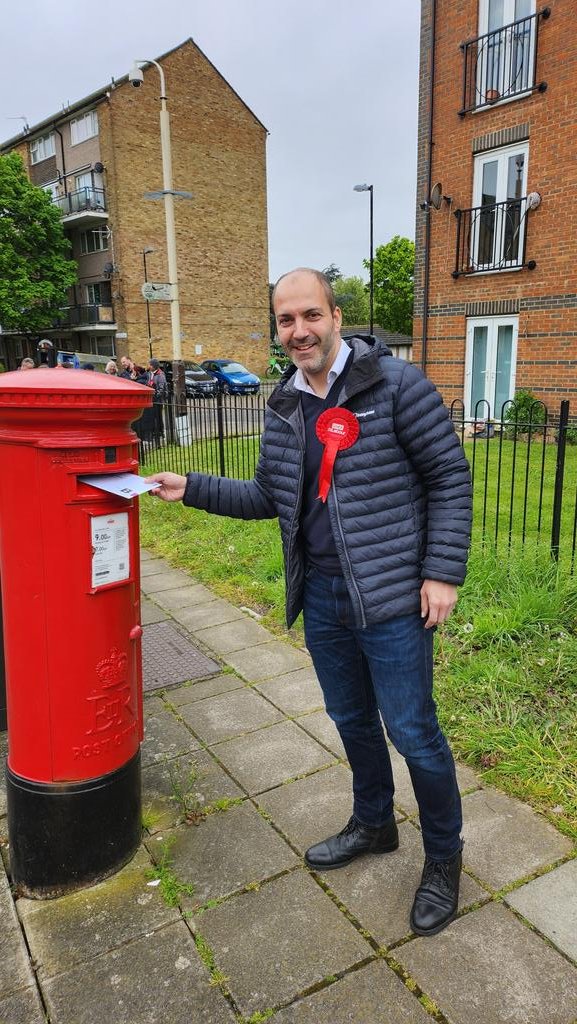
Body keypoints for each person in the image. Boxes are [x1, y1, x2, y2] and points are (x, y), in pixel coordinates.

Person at [146, 268, 472, 938]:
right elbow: (270, 496)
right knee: (351, 721)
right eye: (285, 321)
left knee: (412, 732)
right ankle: (374, 823)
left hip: (389, 597)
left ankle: (443, 858)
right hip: (321, 597)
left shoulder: (396, 386)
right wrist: (194, 487)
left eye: (309, 316)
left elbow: (447, 476)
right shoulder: (283, 404)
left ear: (334, 313)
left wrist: (441, 571)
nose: (298, 331)